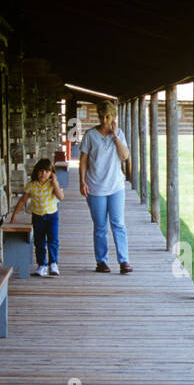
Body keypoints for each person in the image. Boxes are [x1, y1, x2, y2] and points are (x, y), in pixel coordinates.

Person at [78, 100, 133, 273]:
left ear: (113, 117)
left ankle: (124, 261)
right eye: (101, 116)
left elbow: (124, 156)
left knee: (118, 224)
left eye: (107, 116)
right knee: (100, 226)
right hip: (95, 188)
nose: (104, 120)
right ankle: (101, 261)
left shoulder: (119, 134)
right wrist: (82, 182)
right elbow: (83, 161)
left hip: (116, 187)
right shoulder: (90, 135)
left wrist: (115, 136)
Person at [9, 158, 63, 277]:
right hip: (37, 216)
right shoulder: (31, 185)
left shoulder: (52, 184)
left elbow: (61, 197)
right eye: (41, 171)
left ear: (51, 173)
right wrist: (14, 215)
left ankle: (53, 263)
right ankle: (42, 265)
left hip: (52, 216)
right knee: (39, 241)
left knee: (52, 240)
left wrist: (54, 183)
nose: (44, 173)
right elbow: (23, 200)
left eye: (47, 171)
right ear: (36, 172)